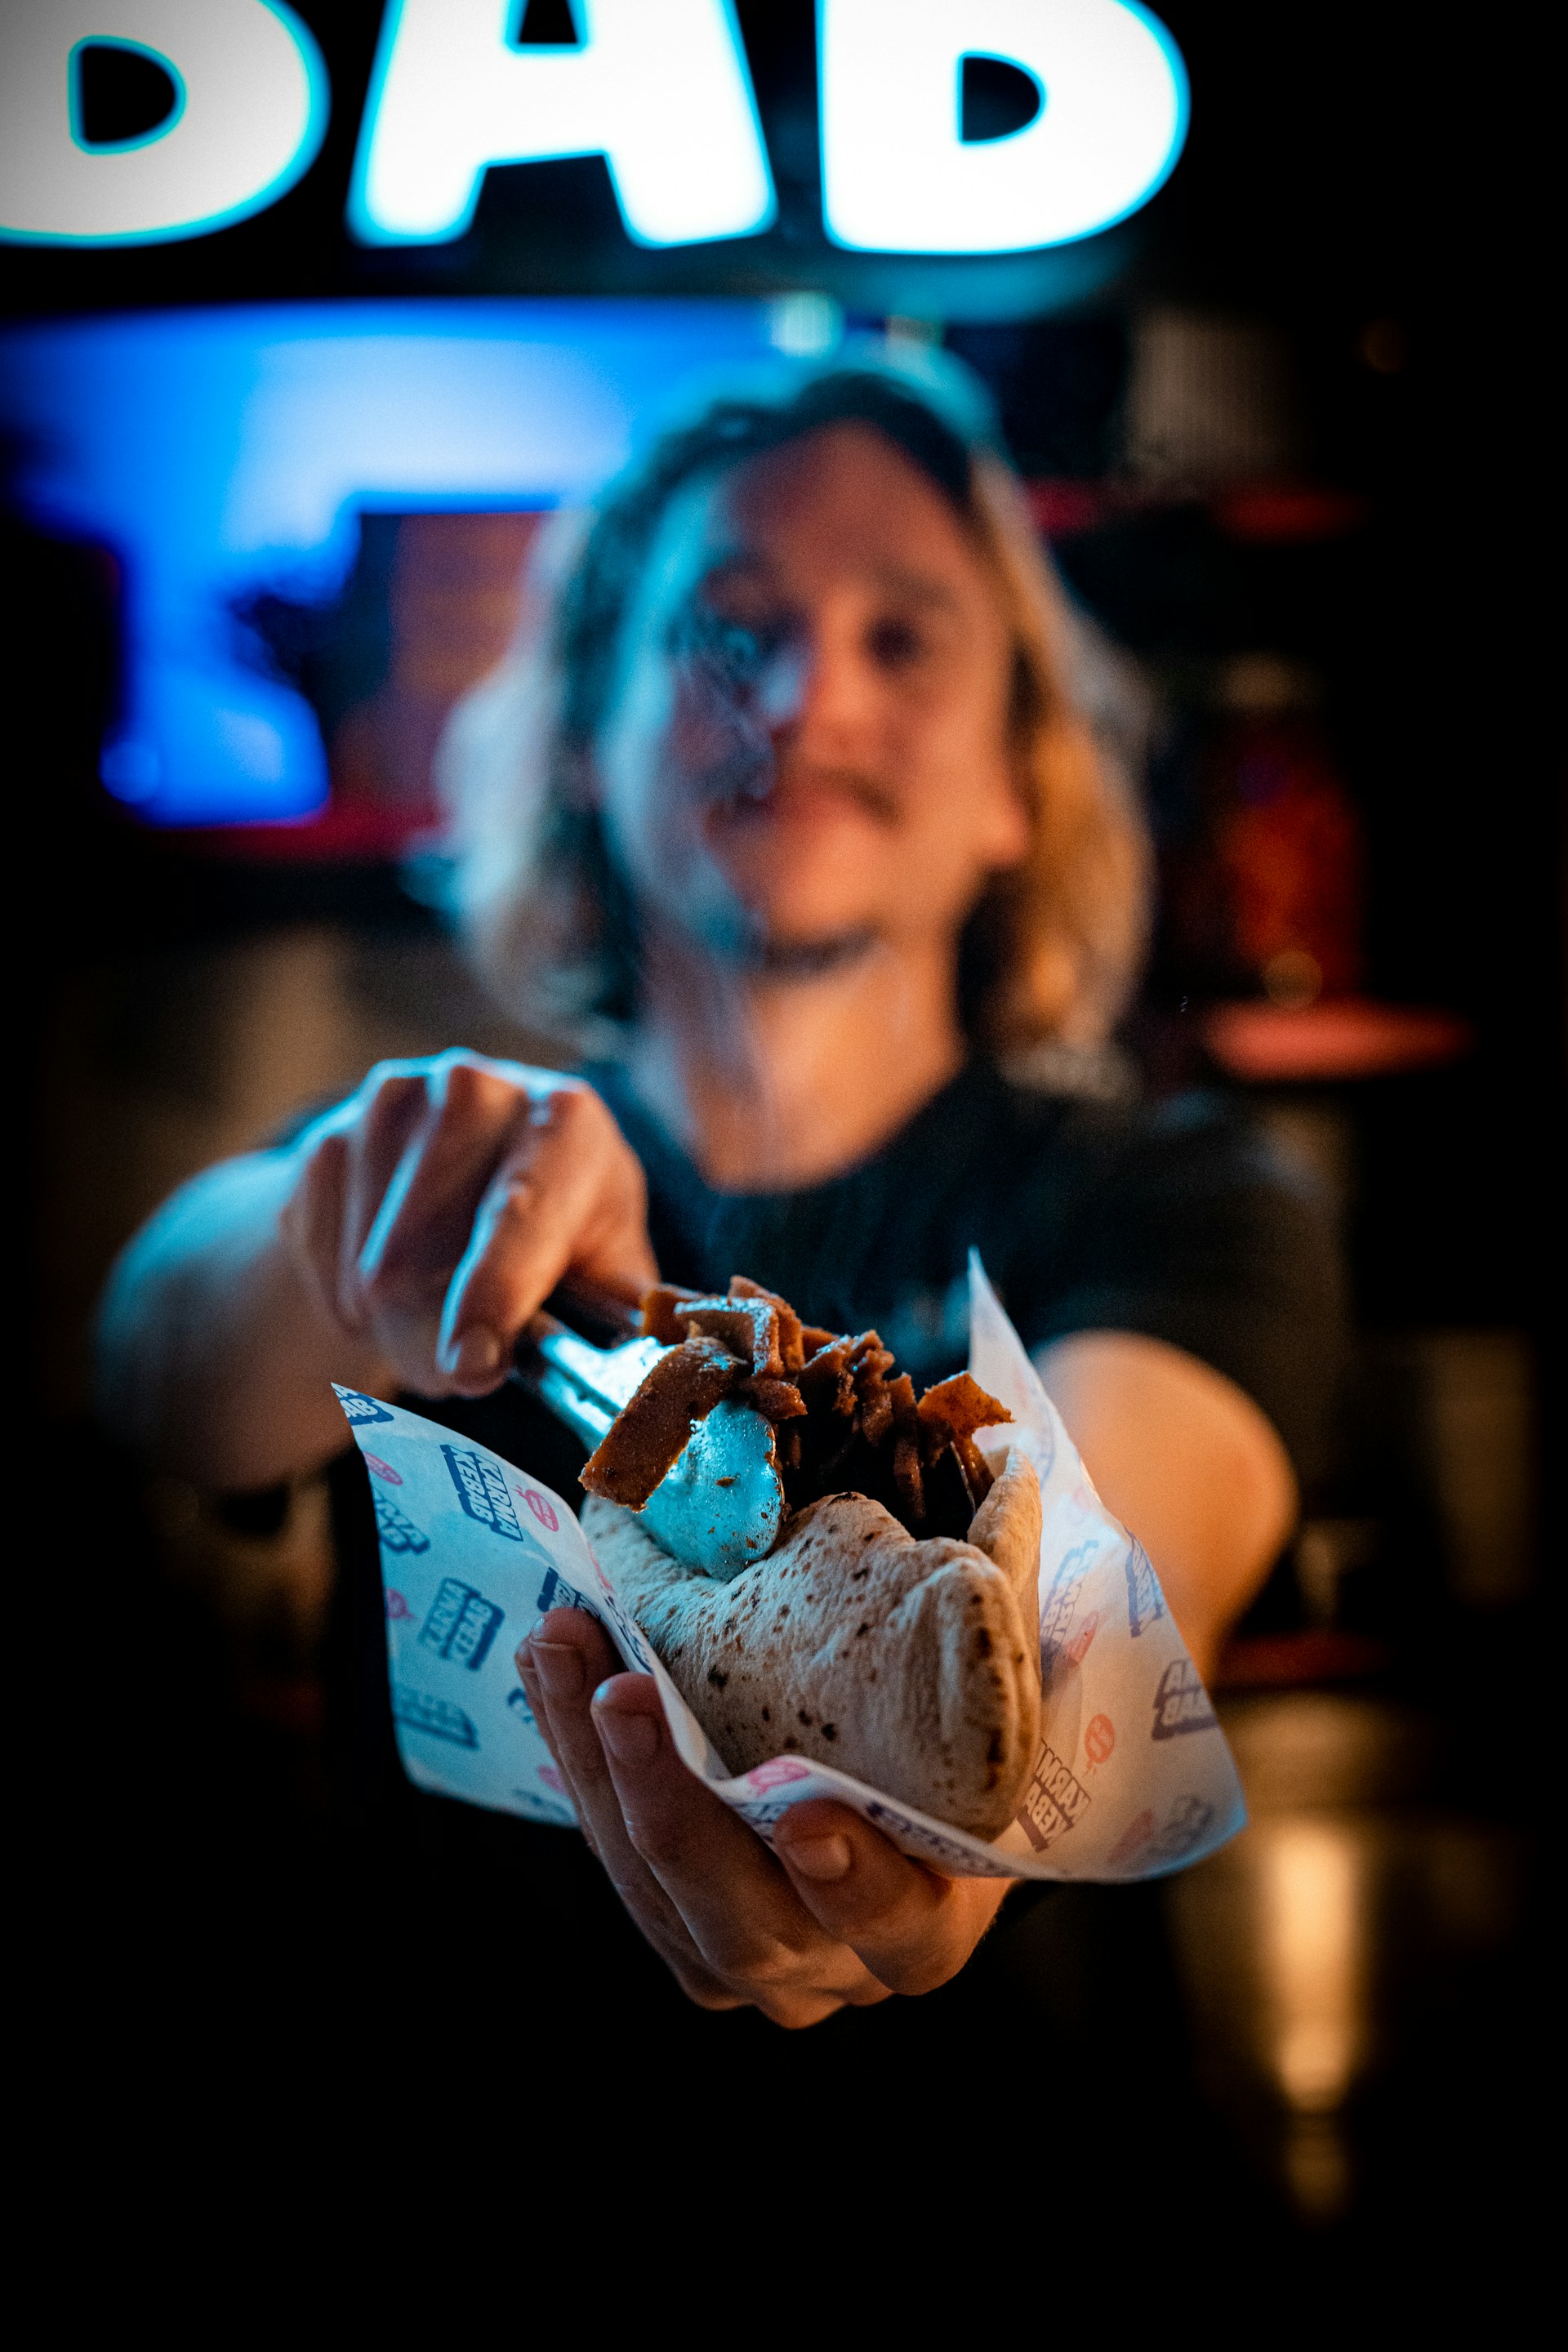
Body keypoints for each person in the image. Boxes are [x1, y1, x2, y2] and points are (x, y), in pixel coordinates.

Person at [98, 357, 1341, 2032]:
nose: (811, 699)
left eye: (902, 638)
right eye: (728, 629)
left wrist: (959, 1803)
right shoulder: (447, 1179)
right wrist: (357, 1244)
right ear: (591, 748)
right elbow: (154, 1373)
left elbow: (1105, 1590)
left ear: (1009, 789)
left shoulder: (1182, 1199)